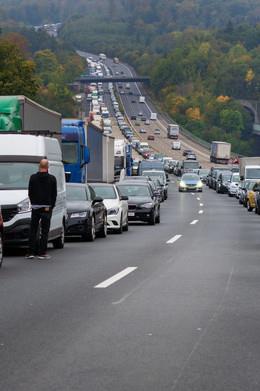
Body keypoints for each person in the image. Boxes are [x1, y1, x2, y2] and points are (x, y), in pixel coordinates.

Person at [26, 159, 57, 260]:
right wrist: (51, 206)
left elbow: (30, 192)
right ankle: (42, 252)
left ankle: (31, 252)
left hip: (35, 207)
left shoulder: (33, 178)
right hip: (47, 207)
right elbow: (54, 194)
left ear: (39, 166)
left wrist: (33, 202)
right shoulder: (52, 179)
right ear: (48, 167)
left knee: (33, 230)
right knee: (44, 231)